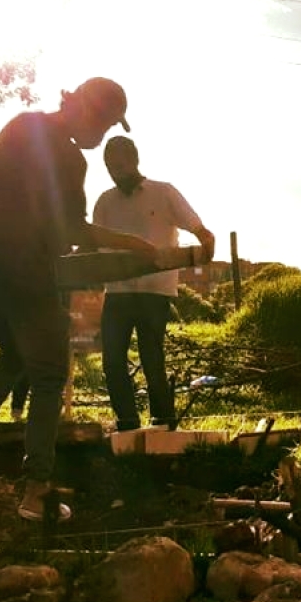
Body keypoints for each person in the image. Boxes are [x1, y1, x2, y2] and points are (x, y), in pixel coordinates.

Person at [0, 77, 158, 522]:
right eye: (108, 123)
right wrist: (133, 245)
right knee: (51, 372)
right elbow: (71, 232)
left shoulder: (22, 126)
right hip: (22, 272)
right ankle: (37, 490)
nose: (105, 135)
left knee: (15, 355)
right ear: (88, 110)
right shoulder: (69, 157)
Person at [92, 136, 215, 432]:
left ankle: (163, 424)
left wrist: (205, 241)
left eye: (120, 166)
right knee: (112, 361)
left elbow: (197, 227)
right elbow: (94, 244)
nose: (116, 173)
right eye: (110, 168)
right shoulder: (105, 201)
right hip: (117, 292)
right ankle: (128, 424)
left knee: (151, 359)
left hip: (154, 292)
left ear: (134, 161)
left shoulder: (163, 193)